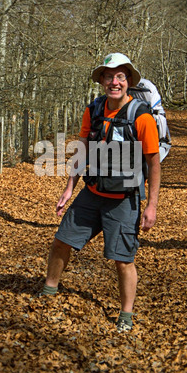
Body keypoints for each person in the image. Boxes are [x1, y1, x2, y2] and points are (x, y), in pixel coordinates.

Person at [40, 53, 161, 334]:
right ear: (102, 81)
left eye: (120, 76)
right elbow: (82, 149)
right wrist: (69, 188)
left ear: (128, 81)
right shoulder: (93, 110)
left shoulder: (141, 117)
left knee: (123, 259)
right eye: (109, 76)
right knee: (61, 241)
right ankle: (49, 290)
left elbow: (153, 163)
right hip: (91, 193)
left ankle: (126, 315)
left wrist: (151, 205)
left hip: (124, 200)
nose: (114, 82)